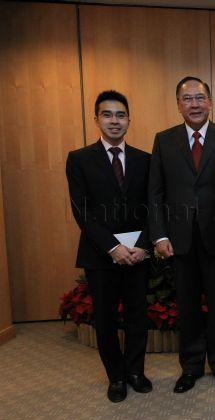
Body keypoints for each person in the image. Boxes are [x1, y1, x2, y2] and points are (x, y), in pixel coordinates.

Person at [148, 76, 215, 393]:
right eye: (187, 98)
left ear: (210, 101)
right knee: (187, 305)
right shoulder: (164, 140)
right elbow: (155, 193)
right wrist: (159, 236)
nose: (194, 103)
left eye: (199, 97)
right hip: (179, 239)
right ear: (178, 104)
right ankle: (191, 366)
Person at [66, 90, 152, 402]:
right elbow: (81, 211)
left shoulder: (145, 159)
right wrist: (112, 247)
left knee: (137, 316)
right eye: (107, 114)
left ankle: (135, 371)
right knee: (105, 318)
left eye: (120, 115)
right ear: (96, 119)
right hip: (100, 254)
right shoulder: (79, 159)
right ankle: (116, 377)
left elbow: (154, 206)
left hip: (138, 254)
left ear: (129, 120)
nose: (114, 121)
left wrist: (144, 245)